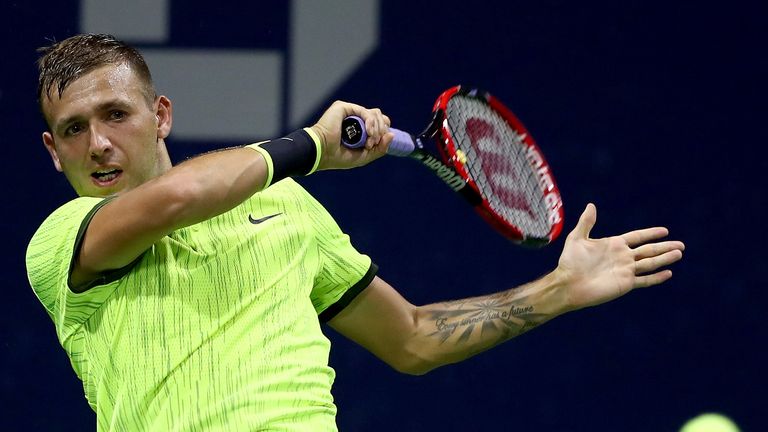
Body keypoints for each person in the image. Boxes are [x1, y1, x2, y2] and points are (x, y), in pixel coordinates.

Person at [26, 34, 684, 431]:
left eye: (116, 114)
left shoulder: (287, 206)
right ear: (54, 153)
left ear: (161, 115)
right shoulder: (64, 240)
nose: (100, 144)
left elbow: (414, 340)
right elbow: (177, 198)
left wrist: (559, 291)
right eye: (75, 129)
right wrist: (311, 145)